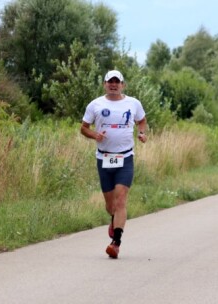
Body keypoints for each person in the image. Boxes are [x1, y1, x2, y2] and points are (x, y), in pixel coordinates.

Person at [80, 70, 147, 259]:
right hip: (104, 158)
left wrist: (141, 133)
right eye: (111, 82)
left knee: (121, 199)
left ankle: (116, 243)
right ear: (104, 84)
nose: (114, 85)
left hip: (125, 157)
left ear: (123, 85)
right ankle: (114, 219)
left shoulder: (133, 103)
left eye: (117, 82)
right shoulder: (95, 104)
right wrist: (95, 135)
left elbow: (141, 120)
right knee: (110, 205)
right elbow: (83, 128)